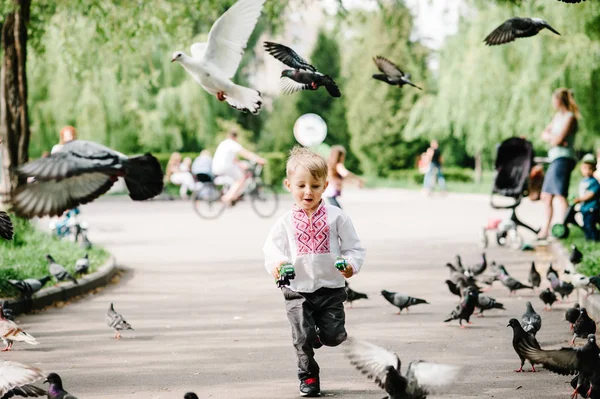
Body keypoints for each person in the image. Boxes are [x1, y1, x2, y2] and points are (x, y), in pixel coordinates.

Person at [263, 146, 366, 398]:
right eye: (301, 185)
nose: (308, 191)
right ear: (289, 185)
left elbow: (354, 247)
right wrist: (278, 264)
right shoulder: (285, 222)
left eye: (315, 185)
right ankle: (308, 376)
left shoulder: (336, 216)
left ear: (325, 185)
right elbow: (271, 250)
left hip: (331, 288)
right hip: (297, 290)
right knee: (302, 336)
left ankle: (321, 335)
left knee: (335, 336)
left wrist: (350, 265)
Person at [538, 88, 580, 239]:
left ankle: (563, 227)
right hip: (555, 158)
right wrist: (554, 139)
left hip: (564, 159)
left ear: (559, 100)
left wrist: (554, 139)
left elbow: (555, 139)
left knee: (559, 195)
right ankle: (546, 229)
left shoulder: (570, 118)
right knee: (546, 195)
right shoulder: (557, 117)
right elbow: (545, 135)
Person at [212, 131, 265, 204]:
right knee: (240, 179)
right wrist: (258, 159)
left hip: (217, 166)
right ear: (235, 137)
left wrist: (241, 165)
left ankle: (233, 197)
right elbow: (246, 153)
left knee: (236, 178)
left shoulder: (224, 143)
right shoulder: (232, 143)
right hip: (225, 167)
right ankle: (227, 197)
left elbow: (234, 160)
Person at [573, 154, 600, 241]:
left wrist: (580, 199)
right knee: (585, 224)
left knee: (590, 224)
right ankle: (588, 238)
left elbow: (590, 195)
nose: (587, 171)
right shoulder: (583, 181)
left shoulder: (594, 182)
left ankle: (595, 238)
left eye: (590, 168)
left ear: (594, 169)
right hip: (584, 208)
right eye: (585, 168)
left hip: (592, 208)